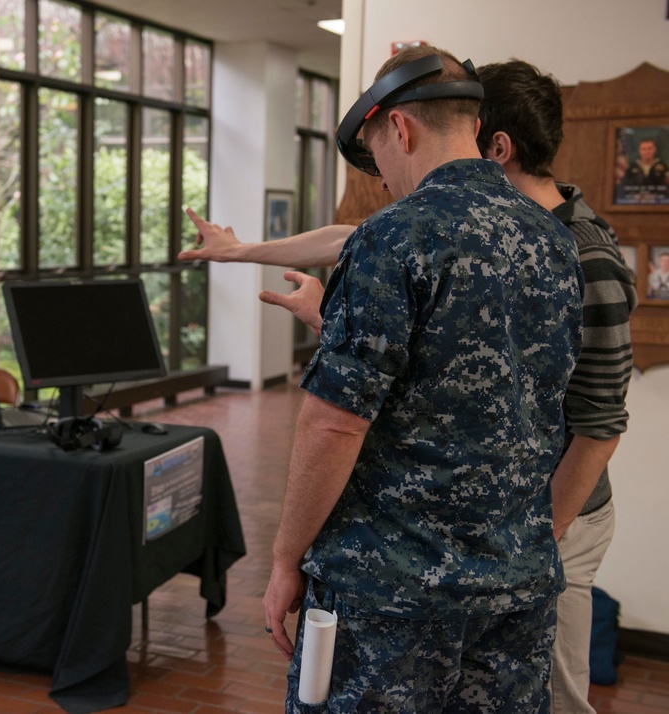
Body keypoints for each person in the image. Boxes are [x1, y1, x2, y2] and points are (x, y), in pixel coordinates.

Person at [182, 57, 636, 714]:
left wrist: (286, 560)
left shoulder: (393, 236)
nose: (386, 181)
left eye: (377, 160)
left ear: (399, 127)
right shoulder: (557, 242)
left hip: (392, 596)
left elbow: (334, 423)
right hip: (516, 591)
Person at [476, 60, 637, 714]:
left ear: (497, 147)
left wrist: (538, 543)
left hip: (557, 524)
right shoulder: (504, 231)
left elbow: (600, 427)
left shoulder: (586, 255)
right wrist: (242, 253)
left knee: (555, 699)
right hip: (512, 519)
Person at [618, 138, 668, 203]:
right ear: (640, 151)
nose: (647, 151)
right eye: (644, 149)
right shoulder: (632, 168)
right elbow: (625, 187)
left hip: (658, 203)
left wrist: (656, 196)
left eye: (649, 149)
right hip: (635, 203)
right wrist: (634, 196)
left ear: (654, 150)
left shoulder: (663, 167)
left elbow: (666, 188)